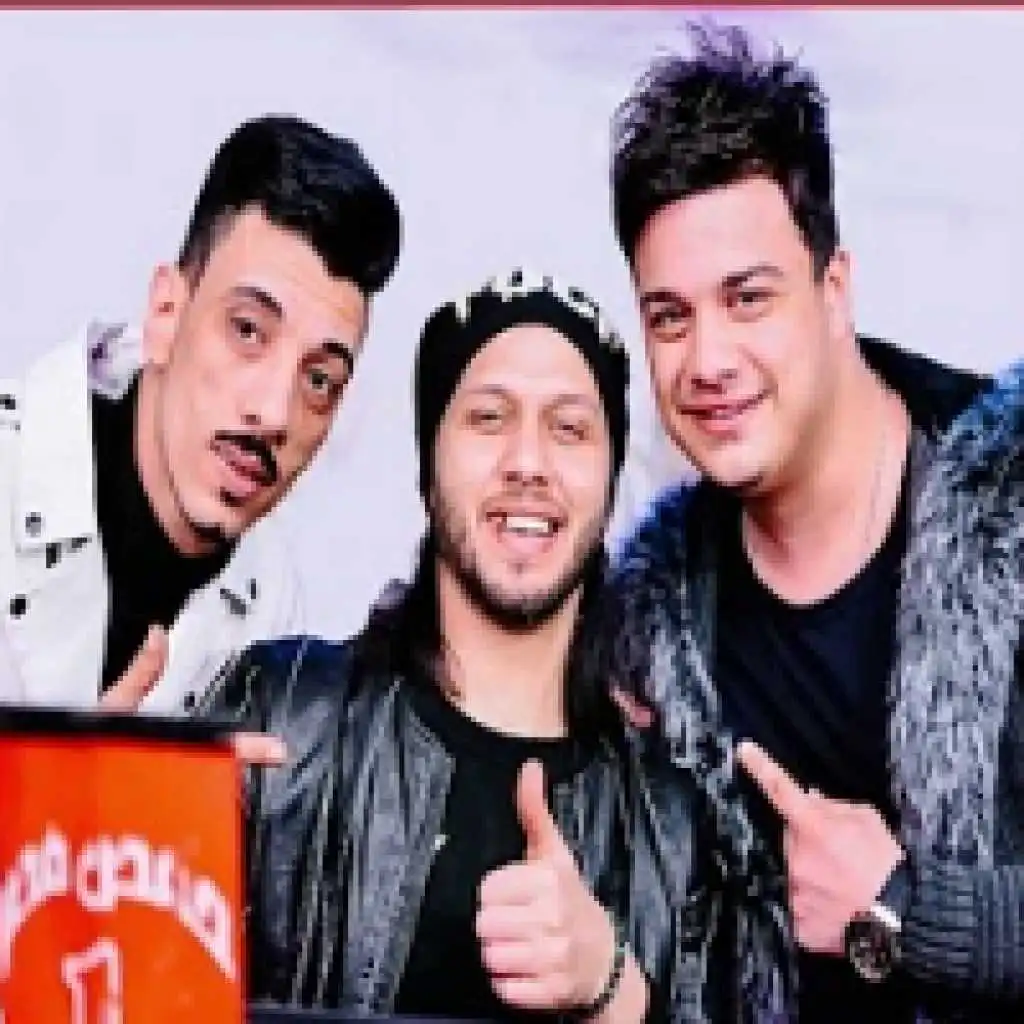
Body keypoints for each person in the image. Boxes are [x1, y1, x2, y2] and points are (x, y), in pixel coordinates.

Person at [202, 269, 793, 1021]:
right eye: (488, 418)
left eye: (570, 429)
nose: (528, 463)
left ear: (611, 483)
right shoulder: (279, 718)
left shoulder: (678, 821)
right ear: (428, 467)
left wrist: (612, 988)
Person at [607, 22, 1023, 1022]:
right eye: (669, 317)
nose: (708, 360)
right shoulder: (652, 620)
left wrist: (909, 908)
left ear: (833, 290)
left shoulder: (1010, 508)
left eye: (747, 299)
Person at [0, 114, 402, 713]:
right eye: (248, 331)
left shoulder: (273, 613)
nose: (274, 413)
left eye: (319, 380)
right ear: (166, 314)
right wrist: (55, 771)